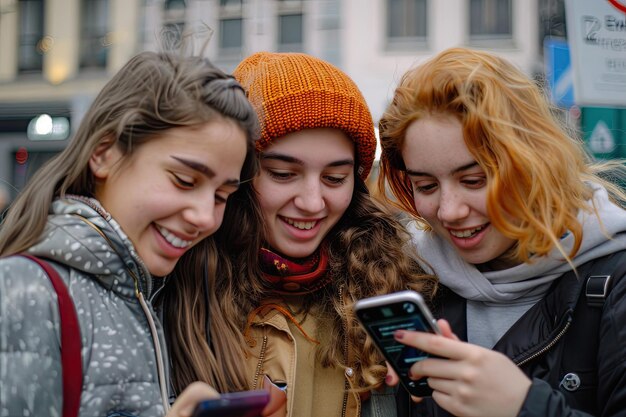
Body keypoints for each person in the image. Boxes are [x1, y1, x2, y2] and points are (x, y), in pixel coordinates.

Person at [0, 50, 259, 417]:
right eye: (184, 181)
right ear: (104, 152)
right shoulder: (22, 292)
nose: (204, 217)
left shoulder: (167, 296)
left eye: (222, 196)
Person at [377, 47, 626, 417]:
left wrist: (524, 406)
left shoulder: (614, 278)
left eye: (474, 180)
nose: (450, 211)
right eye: (427, 186)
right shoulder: (409, 282)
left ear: (533, 162)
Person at [197, 51, 437, 417]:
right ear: (239, 176)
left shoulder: (393, 289)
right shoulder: (185, 290)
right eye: (282, 173)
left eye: (334, 178)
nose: (312, 203)